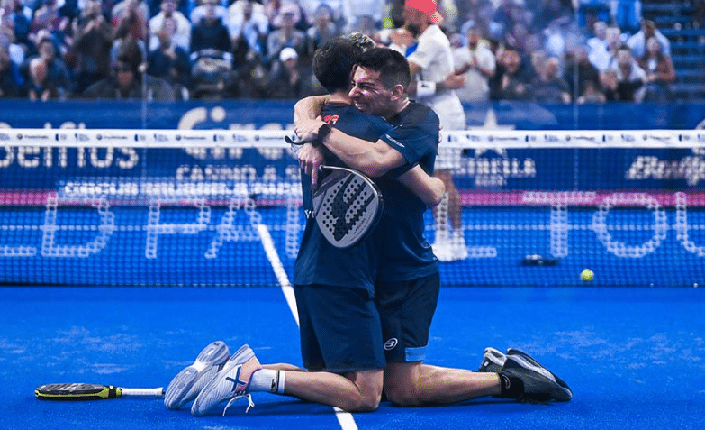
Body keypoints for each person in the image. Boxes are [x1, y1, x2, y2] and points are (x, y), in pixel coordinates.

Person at [164, 42, 572, 416]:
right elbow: (312, 102)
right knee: (340, 382)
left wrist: (319, 132)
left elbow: (404, 177)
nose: (358, 93)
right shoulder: (345, 117)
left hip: (405, 272)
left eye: (367, 86)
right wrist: (310, 128)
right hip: (365, 271)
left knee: (399, 390)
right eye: (355, 84)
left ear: (394, 92)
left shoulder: (417, 120)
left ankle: (508, 379)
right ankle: (239, 371)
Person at [392, 0, 468, 261]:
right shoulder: (424, 39)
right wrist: (440, 84)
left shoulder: (433, 39)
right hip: (430, 114)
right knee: (437, 177)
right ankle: (448, 238)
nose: (403, 14)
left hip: (444, 115)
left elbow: (401, 75)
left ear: (420, 13)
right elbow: (406, 87)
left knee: (441, 178)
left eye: (408, 9)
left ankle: (452, 239)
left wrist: (398, 46)